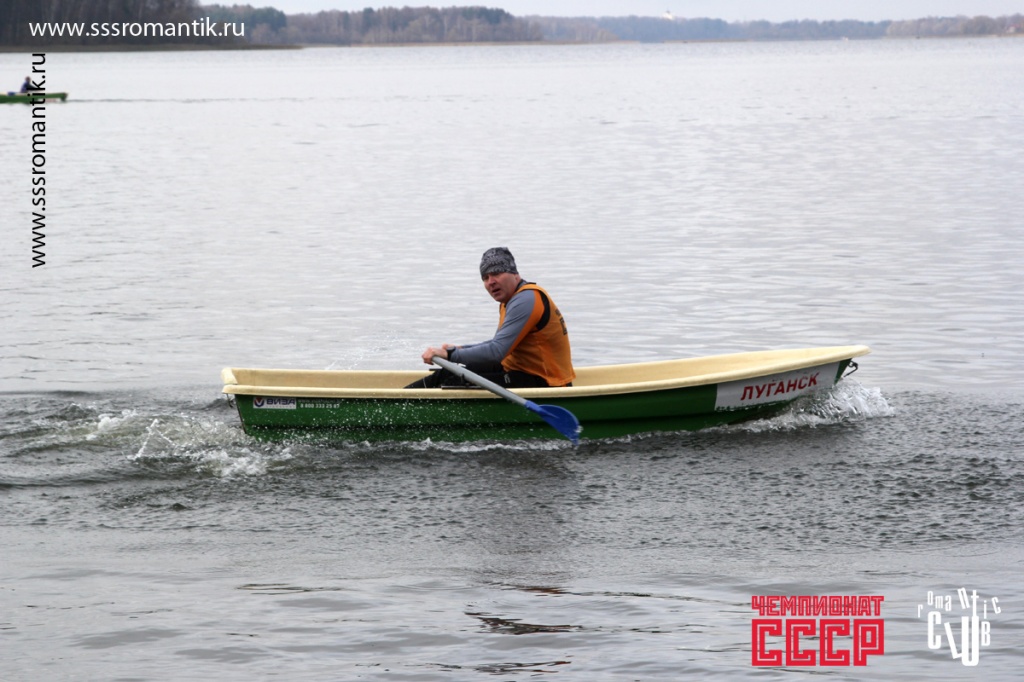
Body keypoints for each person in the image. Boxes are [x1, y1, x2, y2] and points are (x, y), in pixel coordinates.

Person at [407, 247, 575, 389]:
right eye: (485, 278)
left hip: (547, 383)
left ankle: (403, 409)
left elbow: (496, 351)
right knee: (449, 372)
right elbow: (497, 343)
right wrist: (460, 349)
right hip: (518, 371)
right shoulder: (510, 300)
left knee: (454, 381)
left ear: (514, 274)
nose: (491, 282)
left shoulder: (526, 299)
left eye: (496, 273)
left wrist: (449, 354)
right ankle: (401, 400)